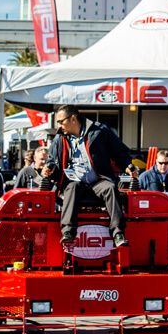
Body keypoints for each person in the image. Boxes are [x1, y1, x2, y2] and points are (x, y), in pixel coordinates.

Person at [42, 104, 135, 247]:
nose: (59, 126)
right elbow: (52, 160)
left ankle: (118, 234)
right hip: (76, 182)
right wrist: (48, 168)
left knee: (110, 187)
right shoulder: (60, 138)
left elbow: (119, 152)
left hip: (98, 180)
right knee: (71, 188)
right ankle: (68, 232)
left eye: (61, 121)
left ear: (73, 118)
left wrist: (128, 166)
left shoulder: (99, 131)